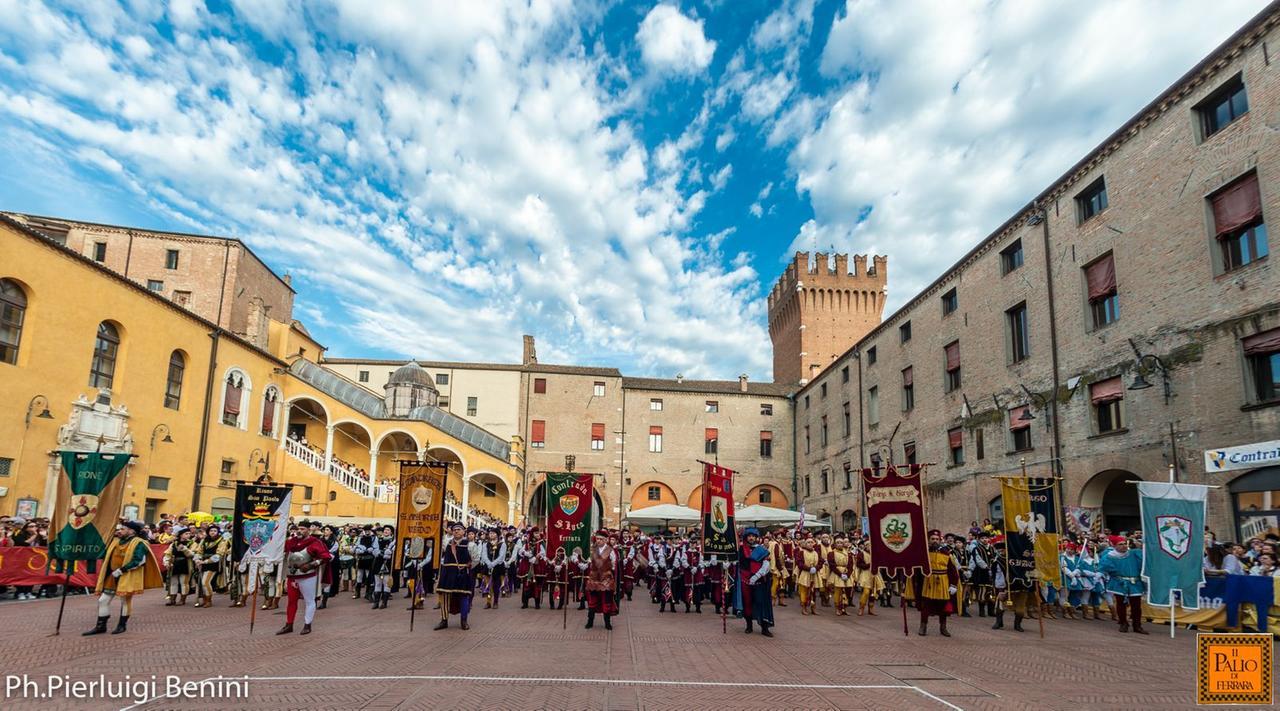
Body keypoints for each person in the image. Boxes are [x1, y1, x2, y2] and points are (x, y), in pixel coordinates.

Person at [83, 521, 162, 635]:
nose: (119, 531)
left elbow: (139, 560)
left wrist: (121, 570)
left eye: (122, 529)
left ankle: (122, 625)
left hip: (127, 575)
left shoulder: (139, 543)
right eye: (119, 529)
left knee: (125, 601)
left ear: (131, 531)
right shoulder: (116, 541)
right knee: (103, 600)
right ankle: (101, 626)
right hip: (112, 575)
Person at [277, 524, 332, 635]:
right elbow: (279, 549)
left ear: (308, 530)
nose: (299, 531)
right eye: (298, 529)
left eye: (302, 529)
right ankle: (289, 624)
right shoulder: (291, 542)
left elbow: (326, 557)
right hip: (292, 576)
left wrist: (311, 565)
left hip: (307, 577)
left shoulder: (315, 542)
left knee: (309, 601)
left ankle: (307, 625)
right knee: (291, 601)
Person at [909, 529, 958, 637]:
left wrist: (953, 584)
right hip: (928, 582)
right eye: (932, 539)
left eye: (937, 539)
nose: (935, 541)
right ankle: (923, 626)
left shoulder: (946, 553)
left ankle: (943, 627)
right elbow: (917, 569)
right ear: (928, 540)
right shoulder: (923, 553)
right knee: (926, 605)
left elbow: (952, 570)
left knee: (943, 606)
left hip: (943, 582)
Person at [1100, 535, 1147, 634]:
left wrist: (1143, 544)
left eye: (1125, 543)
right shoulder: (1110, 556)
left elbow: (1146, 556)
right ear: (1114, 546)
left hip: (1135, 582)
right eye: (1120, 544)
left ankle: (1137, 625)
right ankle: (1123, 623)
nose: (1124, 546)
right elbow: (1105, 567)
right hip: (1119, 583)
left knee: (1136, 605)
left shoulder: (1134, 553)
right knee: (1121, 604)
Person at [435, 522, 478, 630]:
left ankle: (464, 620)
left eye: (459, 529)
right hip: (448, 573)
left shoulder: (470, 544)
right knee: (445, 596)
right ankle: (444, 620)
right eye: (454, 529)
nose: (456, 531)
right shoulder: (447, 543)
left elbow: (476, 559)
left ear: (464, 532)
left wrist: (467, 567)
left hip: (461, 574)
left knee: (463, 597)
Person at [733, 528, 774, 637]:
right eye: (749, 536)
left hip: (759, 581)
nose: (751, 538)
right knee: (747, 603)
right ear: (746, 537)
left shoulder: (761, 550)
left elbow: (766, 565)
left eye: (753, 536)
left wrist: (756, 576)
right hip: (744, 580)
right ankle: (749, 625)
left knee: (761, 603)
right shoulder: (740, 549)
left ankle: (764, 628)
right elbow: (736, 562)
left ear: (756, 538)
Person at [584, 530, 618, 630]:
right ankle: (590, 622)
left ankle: (607, 623)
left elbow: (614, 564)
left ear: (605, 540)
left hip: (606, 579)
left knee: (606, 601)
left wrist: (607, 572)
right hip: (594, 579)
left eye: (600, 539)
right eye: (597, 539)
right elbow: (588, 562)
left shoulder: (610, 550)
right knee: (592, 601)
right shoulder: (592, 550)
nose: (598, 541)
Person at [163, 528, 196, 606]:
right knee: (173, 583)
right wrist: (166, 562)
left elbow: (192, 554)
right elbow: (168, 553)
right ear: (181, 535)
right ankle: (172, 599)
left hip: (186, 564)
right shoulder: (174, 543)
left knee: (184, 583)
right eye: (186, 533)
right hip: (175, 564)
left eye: (189, 534)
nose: (188, 535)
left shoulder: (192, 543)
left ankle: (182, 599)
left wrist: (184, 549)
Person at [854, 539, 882, 617]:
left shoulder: (876, 554)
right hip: (866, 574)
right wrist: (869, 564)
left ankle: (871, 608)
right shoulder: (861, 554)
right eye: (868, 545)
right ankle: (861, 607)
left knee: (874, 592)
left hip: (875, 574)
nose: (869, 547)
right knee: (866, 592)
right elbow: (859, 564)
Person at [828, 535, 854, 616]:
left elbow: (850, 565)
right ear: (835, 544)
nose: (839, 544)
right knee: (838, 591)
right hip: (837, 573)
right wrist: (840, 574)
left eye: (841, 543)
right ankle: (837, 608)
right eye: (837, 543)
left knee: (846, 591)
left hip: (846, 573)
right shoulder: (831, 553)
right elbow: (832, 566)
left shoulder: (848, 554)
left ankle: (844, 608)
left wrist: (848, 574)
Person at [371, 525, 396, 609]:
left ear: (391, 532)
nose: (386, 531)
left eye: (388, 530)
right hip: (378, 562)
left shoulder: (394, 541)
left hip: (388, 563)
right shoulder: (378, 539)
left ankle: (384, 602)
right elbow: (374, 549)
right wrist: (379, 553)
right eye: (385, 529)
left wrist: (390, 553)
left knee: (386, 583)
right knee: (377, 582)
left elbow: (394, 551)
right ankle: (376, 602)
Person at [795, 537, 822, 615]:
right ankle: (804, 607)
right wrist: (808, 568)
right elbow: (799, 563)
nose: (810, 544)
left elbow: (820, 562)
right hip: (805, 573)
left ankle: (813, 607)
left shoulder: (816, 553)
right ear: (805, 544)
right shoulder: (801, 552)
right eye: (808, 542)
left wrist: (816, 568)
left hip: (814, 573)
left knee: (813, 591)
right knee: (804, 591)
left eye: (811, 542)